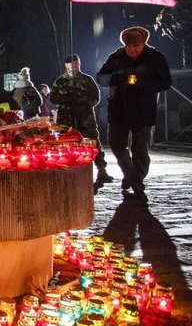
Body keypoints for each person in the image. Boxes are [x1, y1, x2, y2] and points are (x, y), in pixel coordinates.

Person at [97, 27, 172, 202]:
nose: (132, 49)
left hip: (143, 110)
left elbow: (166, 82)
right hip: (119, 109)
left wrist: (144, 86)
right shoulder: (116, 57)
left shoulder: (155, 58)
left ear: (143, 43)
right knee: (116, 145)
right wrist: (116, 78)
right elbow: (101, 77)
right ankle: (129, 174)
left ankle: (138, 183)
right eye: (129, 46)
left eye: (136, 46)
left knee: (139, 148)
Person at [51, 54, 112, 183]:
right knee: (66, 143)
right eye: (72, 63)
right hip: (66, 118)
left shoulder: (87, 80)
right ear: (66, 65)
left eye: (77, 62)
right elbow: (53, 98)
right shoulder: (60, 81)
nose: (75, 65)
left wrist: (83, 104)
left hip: (85, 117)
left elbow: (95, 97)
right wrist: (67, 102)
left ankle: (101, 170)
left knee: (93, 142)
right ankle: (67, 170)